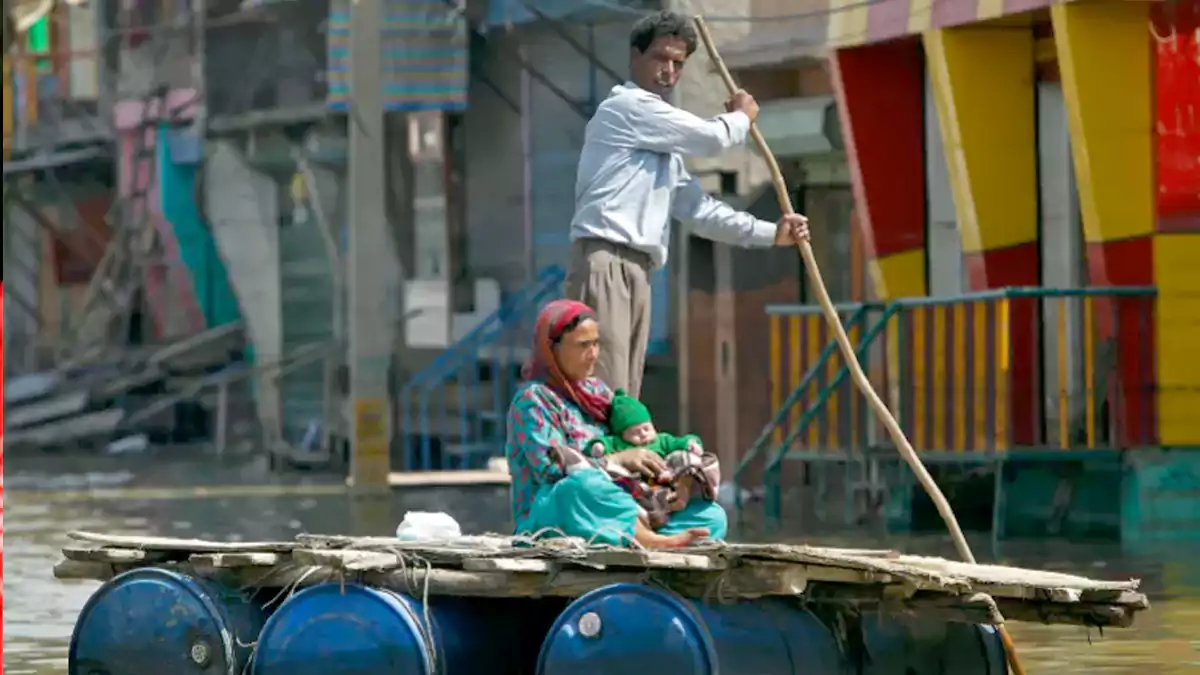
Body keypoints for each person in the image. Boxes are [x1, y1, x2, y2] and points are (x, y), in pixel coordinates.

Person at [566, 9, 811, 398]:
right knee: (603, 387)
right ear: (635, 56)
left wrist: (771, 233)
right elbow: (710, 138)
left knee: (625, 392)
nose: (668, 71)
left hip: (638, 268)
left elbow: (701, 212)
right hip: (606, 261)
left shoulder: (662, 149)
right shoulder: (627, 108)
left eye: (677, 63)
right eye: (659, 58)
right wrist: (741, 118)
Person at [506, 299, 726, 548]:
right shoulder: (533, 400)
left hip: (621, 502)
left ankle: (644, 533)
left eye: (596, 343)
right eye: (583, 345)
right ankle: (652, 541)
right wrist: (619, 460)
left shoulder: (598, 393)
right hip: (560, 511)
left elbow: (636, 442)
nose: (594, 354)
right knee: (580, 486)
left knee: (711, 515)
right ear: (552, 349)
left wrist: (678, 482)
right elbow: (551, 469)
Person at [581, 388, 721, 530]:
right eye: (635, 432)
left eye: (646, 428)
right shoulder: (619, 443)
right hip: (637, 490)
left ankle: (665, 526)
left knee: (715, 517)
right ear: (622, 435)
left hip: (666, 482)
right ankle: (652, 527)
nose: (643, 434)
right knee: (643, 507)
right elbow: (603, 444)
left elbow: (679, 442)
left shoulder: (661, 440)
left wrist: (691, 444)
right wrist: (599, 447)